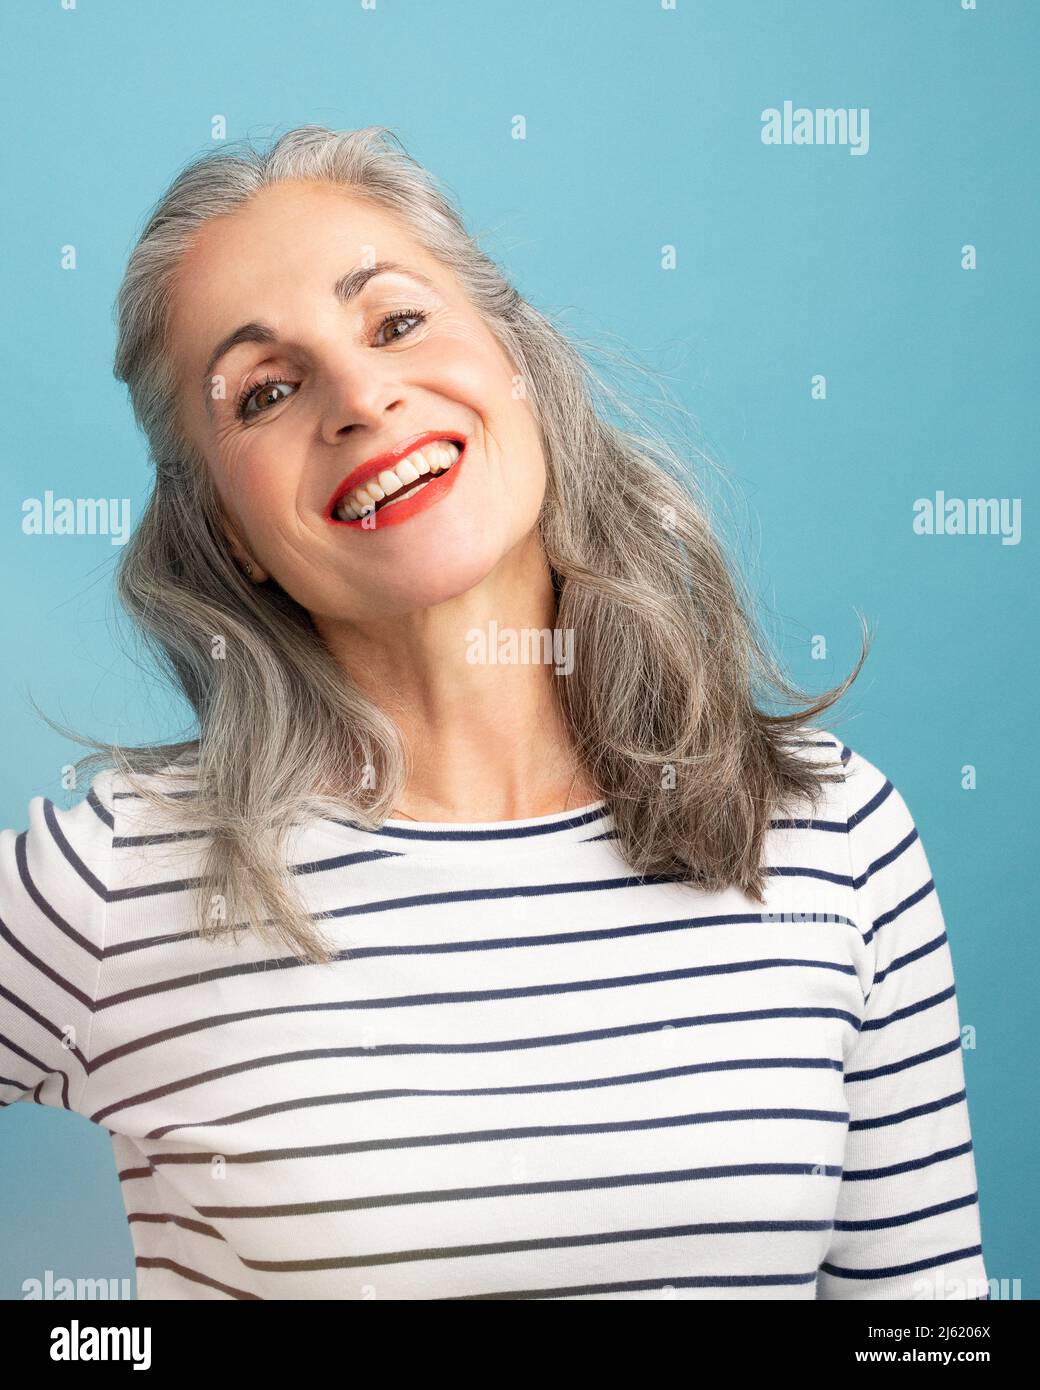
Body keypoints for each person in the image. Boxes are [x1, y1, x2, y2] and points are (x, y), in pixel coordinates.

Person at [0, 126, 987, 1301]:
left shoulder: (835, 835)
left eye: (396, 322)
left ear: (518, 363)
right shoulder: (117, 880)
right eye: (265, 390)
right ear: (228, 531)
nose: (360, 397)